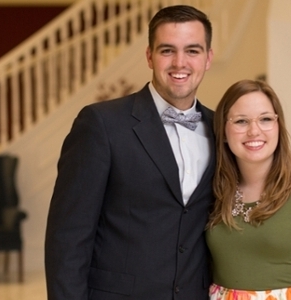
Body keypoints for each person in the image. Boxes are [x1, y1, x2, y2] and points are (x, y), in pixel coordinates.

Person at [45, 5, 215, 300]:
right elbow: (68, 238)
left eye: (192, 50)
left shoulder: (221, 128)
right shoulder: (101, 124)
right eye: (167, 50)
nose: (180, 62)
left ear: (208, 58)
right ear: (149, 55)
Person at [206, 79, 291, 300]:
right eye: (241, 121)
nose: (254, 131)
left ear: (279, 126)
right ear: (223, 131)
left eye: (266, 119)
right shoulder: (212, 191)